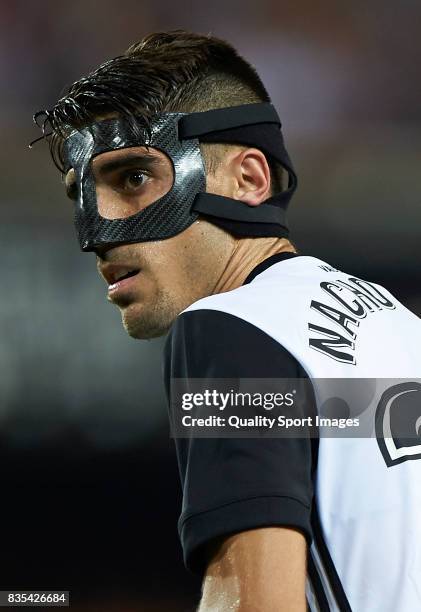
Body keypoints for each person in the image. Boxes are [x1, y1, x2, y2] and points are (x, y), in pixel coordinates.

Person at [34, 30, 421, 612]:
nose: (97, 231)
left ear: (249, 179)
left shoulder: (230, 326)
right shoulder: (401, 327)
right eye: (81, 196)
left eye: (134, 178)